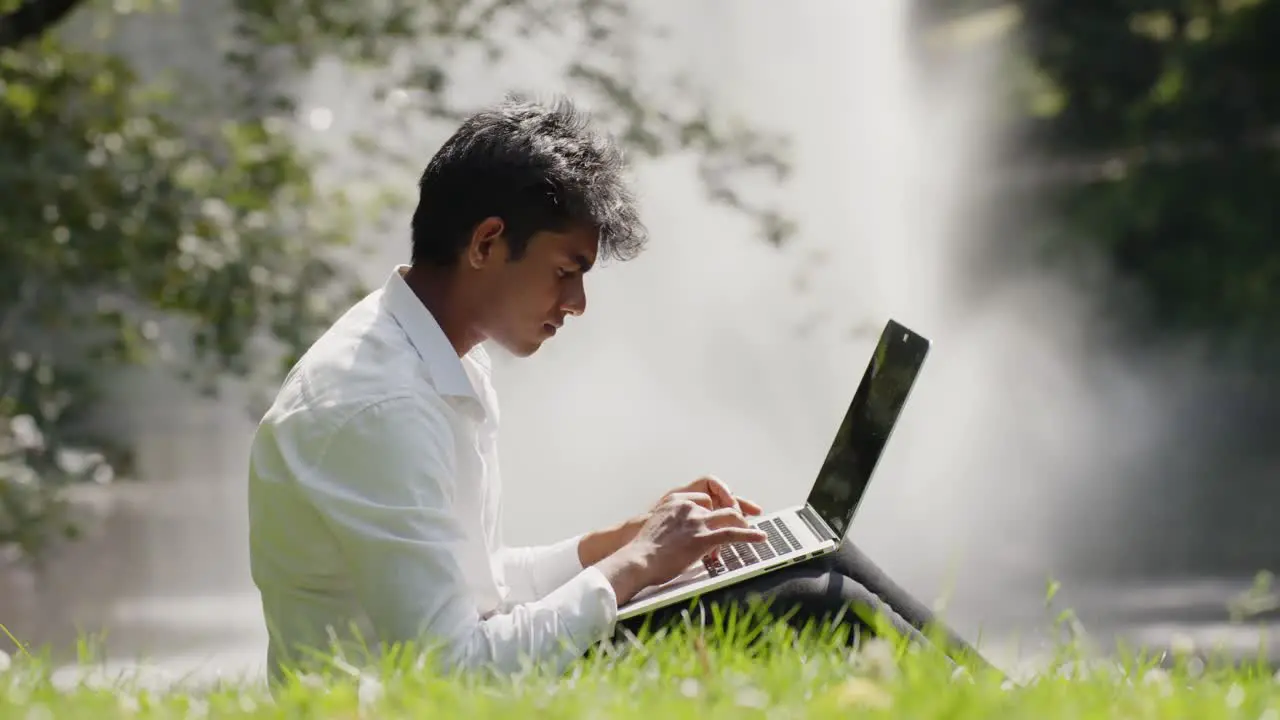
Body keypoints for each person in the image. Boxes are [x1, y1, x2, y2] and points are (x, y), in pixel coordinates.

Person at [247, 95, 985, 685]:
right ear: (484, 244)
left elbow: (471, 578)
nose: (576, 303)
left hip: (452, 680)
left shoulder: (438, 355)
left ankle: (1019, 704)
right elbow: (451, 673)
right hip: (409, 706)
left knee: (818, 558)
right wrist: (634, 568)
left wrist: (632, 539)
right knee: (811, 603)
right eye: (565, 271)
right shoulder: (381, 404)